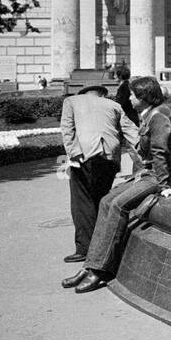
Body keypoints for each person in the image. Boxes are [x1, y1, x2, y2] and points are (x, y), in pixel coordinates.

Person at [63, 75, 171, 294]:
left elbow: (160, 152)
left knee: (118, 205)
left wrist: (163, 186)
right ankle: (90, 265)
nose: (129, 99)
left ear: (143, 96)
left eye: (132, 94)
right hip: (150, 173)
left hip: (158, 177)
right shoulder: (155, 112)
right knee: (105, 200)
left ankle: (99, 271)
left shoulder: (158, 115)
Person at [60, 83, 140, 265]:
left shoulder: (71, 101)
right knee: (101, 200)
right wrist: (144, 153)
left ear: (84, 93)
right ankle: (103, 246)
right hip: (109, 157)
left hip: (84, 156)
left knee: (82, 203)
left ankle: (85, 249)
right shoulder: (113, 105)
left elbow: (67, 128)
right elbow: (131, 131)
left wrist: (74, 153)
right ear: (102, 93)